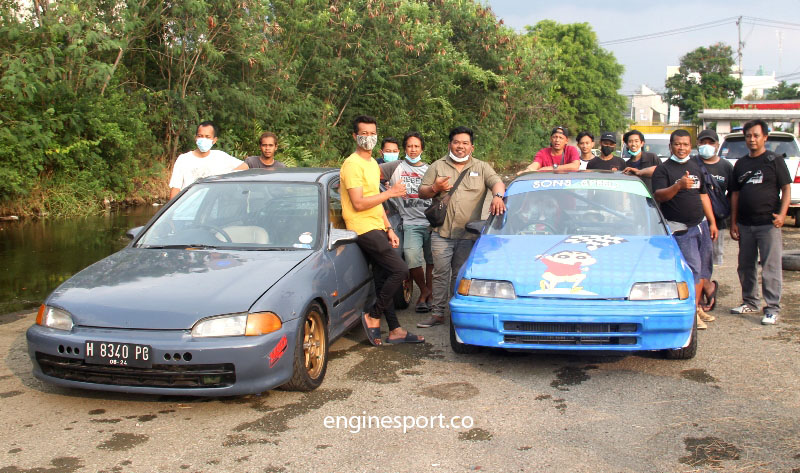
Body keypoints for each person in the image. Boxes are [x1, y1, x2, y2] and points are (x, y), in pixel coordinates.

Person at [340, 115, 422, 346]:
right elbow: (358, 203)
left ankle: (395, 329)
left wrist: (388, 228)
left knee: (382, 276)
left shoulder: (372, 165)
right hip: (362, 227)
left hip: (376, 225)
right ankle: (373, 315)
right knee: (400, 270)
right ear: (355, 136)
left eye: (372, 134)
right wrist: (391, 193)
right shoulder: (352, 164)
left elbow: (375, 200)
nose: (368, 138)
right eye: (363, 134)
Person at [417, 126, 506, 327]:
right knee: (440, 274)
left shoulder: (482, 167)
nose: (460, 146)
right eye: (456, 142)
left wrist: (498, 196)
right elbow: (422, 192)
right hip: (441, 233)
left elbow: (497, 183)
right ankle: (437, 313)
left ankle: (456, 314)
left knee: (460, 275)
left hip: (468, 235)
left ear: (472, 147)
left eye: (465, 143)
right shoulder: (437, 166)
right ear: (450, 144)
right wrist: (435, 188)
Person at [652, 129, 718, 329]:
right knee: (692, 269)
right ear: (670, 146)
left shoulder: (696, 166)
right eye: (678, 144)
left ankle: (696, 308)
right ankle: (691, 315)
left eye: (686, 144)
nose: (682, 148)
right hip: (681, 229)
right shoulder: (663, 169)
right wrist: (678, 186)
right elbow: (659, 196)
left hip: (701, 225)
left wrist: (712, 222)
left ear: (691, 146)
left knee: (704, 269)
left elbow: (703, 195)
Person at [729, 119, 792, 325]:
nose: (752, 139)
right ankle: (750, 302)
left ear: (765, 137)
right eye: (748, 136)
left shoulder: (774, 160)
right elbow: (735, 194)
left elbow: (786, 188)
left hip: (768, 224)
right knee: (745, 266)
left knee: (770, 267)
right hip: (745, 225)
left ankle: (772, 308)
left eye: (756, 135)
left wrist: (782, 215)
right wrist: (733, 222)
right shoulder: (740, 164)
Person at [380, 131, 433, 313]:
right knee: (411, 258)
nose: (413, 149)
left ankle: (429, 294)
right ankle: (424, 290)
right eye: (409, 146)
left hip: (431, 222)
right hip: (410, 222)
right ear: (404, 149)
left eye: (416, 146)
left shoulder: (431, 169)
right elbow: (368, 174)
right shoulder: (394, 167)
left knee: (432, 261)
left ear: (422, 149)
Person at [694, 128, 733, 312]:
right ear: (697, 144)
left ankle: (706, 288)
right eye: (703, 142)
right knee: (694, 260)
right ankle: (705, 290)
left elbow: (733, 194)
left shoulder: (726, 167)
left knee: (708, 260)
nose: (707, 146)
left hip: (715, 222)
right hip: (693, 221)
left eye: (711, 143)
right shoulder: (692, 163)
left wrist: (730, 218)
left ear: (718, 145)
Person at [168, 121, 248, 199]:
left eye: (207, 137)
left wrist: (225, 177)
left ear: (214, 140)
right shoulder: (184, 159)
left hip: (211, 206)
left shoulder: (220, 157)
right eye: (200, 136)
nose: (203, 139)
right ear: (196, 138)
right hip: (188, 206)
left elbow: (245, 167)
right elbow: (175, 188)